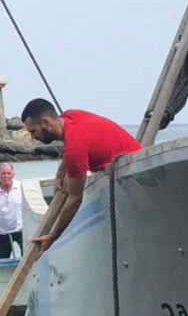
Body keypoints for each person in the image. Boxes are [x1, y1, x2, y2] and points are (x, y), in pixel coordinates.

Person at [21, 99, 141, 253]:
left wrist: (53, 236)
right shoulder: (70, 116)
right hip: (135, 154)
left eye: (33, 131)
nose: (33, 137)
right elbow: (74, 142)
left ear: (46, 122)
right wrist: (60, 172)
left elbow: (75, 199)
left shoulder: (74, 149)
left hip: (133, 175)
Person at [0, 162, 23, 258]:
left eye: (8, 173)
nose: (6, 176)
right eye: (3, 174)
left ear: (13, 175)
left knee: (28, 257)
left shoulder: (21, 187)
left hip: (20, 230)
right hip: (2, 232)